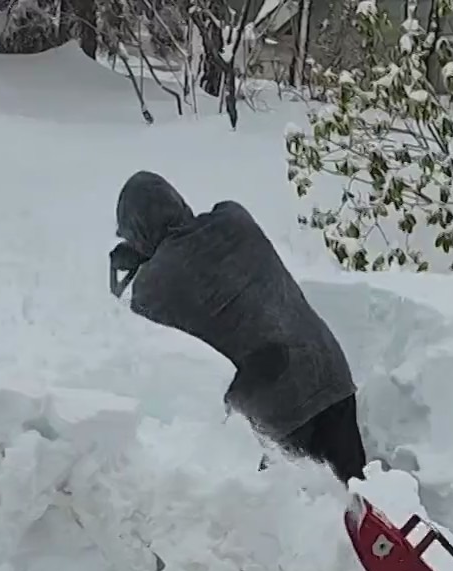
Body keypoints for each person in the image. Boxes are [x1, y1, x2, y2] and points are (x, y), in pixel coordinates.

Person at [109, 170, 367, 484]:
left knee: (289, 520)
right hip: (329, 372)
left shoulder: (153, 285)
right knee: (360, 503)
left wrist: (131, 270)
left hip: (278, 407)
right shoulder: (233, 217)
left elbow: (136, 324)